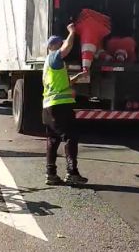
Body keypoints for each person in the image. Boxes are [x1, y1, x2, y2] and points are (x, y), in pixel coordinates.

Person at [43, 23, 89, 186]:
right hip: (60, 106)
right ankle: (72, 173)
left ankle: (51, 174)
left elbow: (59, 83)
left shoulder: (48, 65)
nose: (62, 45)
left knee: (53, 139)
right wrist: (72, 32)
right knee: (71, 137)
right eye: (59, 43)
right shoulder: (54, 56)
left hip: (49, 107)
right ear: (54, 46)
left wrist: (76, 78)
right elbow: (68, 46)